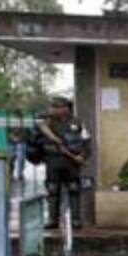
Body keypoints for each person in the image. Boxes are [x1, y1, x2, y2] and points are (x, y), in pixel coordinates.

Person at [36, 95, 90, 230]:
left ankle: (76, 220)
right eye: (53, 107)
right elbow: (38, 125)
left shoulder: (77, 123)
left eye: (56, 107)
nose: (53, 109)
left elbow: (86, 140)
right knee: (53, 190)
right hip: (53, 161)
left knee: (74, 189)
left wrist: (83, 156)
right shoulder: (46, 121)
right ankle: (52, 220)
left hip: (72, 163)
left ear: (65, 108)